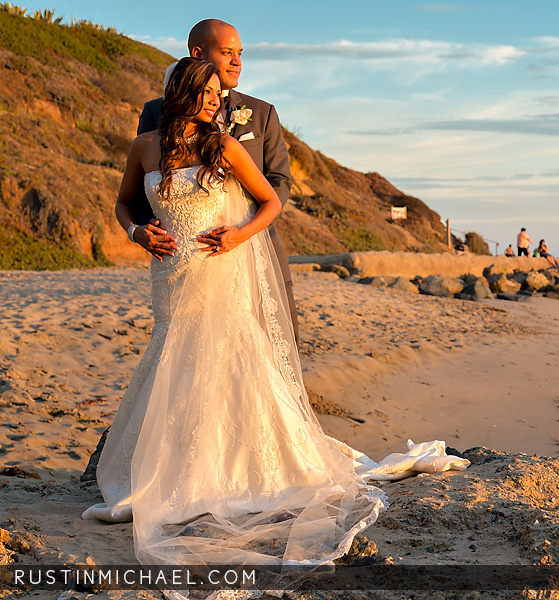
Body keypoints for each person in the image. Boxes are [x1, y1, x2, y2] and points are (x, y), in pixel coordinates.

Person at [81, 58, 467, 573]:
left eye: (220, 93)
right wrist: (135, 233)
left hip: (222, 271)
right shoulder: (145, 147)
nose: (217, 100)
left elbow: (269, 201)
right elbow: (125, 204)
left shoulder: (224, 146)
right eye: (208, 91)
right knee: (176, 359)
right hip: (171, 277)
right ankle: (178, 469)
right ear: (181, 92)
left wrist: (238, 235)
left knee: (228, 360)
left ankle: (226, 469)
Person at [132, 19, 299, 345]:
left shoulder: (261, 112)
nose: (237, 62)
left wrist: (242, 230)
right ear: (198, 53)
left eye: (240, 53)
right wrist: (144, 229)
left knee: (273, 349)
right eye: (227, 52)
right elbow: (145, 183)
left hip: (254, 247)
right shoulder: (156, 112)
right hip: (185, 264)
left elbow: (279, 181)